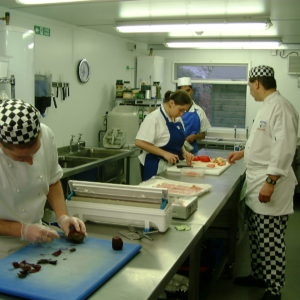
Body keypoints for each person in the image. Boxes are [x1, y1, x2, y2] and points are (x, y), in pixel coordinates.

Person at [227, 65, 299, 300]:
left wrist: (271, 180)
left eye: (249, 86)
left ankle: (274, 288)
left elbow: (284, 147)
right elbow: (263, 142)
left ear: (257, 83)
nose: (250, 91)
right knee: (258, 235)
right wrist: (243, 153)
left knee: (271, 239)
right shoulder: (266, 107)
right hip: (257, 179)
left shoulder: (280, 107)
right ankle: (259, 275)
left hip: (271, 182)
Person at [0, 98, 86, 258]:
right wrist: (21, 230)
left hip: (37, 241)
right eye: (21, 158)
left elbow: (52, 181)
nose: (31, 161)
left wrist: (62, 216)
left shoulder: (46, 135)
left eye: (34, 153)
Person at [135, 90, 194, 181]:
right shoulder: (153, 118)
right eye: (181, 110)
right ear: (171, 103)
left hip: (171, 166)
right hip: (155, 166)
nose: (182, 114)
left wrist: (184, 152)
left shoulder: (177, 119)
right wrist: (164, 153)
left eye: (184, 111)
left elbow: (177, 142)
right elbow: (139, 142)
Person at [177, 76, 211, 154]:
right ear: (178, 92)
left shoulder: (199, 111)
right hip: (175, 150)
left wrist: (195, 136)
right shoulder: (174, 109)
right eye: (183, 91)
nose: (186, 94)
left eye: (188, 90)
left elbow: (203, 134)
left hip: (192, 150)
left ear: (191, 91)